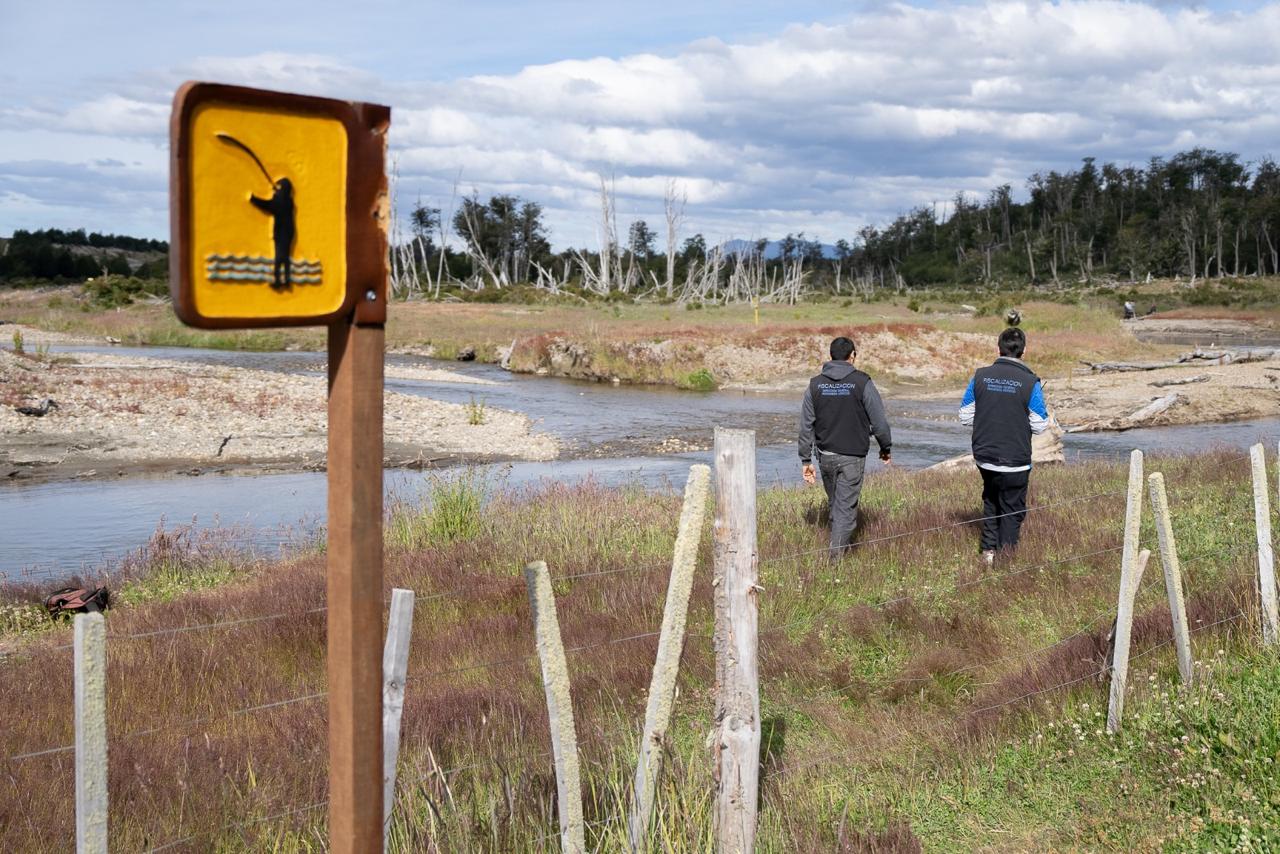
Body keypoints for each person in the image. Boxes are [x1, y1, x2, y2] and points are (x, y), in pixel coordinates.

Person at [958, 327, 1049, 564]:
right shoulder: (1030, 382)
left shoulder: (980, 375)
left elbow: (965, 416)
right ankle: (1005, 561)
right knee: (1012, 510)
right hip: (1015, 459)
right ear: (1024, 351)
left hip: (985, 455)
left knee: (991, 500)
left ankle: (988, 551)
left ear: (998, 348)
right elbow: (1039, 426)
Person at [798, 336, 892, 557]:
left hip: (825, 456)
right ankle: (835, 562)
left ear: (830, 357)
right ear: (853, 356)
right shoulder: (863, 382)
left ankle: (839, 547)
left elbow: (805, 425)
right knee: (845, 510)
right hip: (852, 456)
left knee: (836, 505)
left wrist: (805, 460)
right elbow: (879, 422)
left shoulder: (815, 384)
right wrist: (885, 447)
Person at [250, 178, 296, 291]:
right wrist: (276, 192)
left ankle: (279, 281)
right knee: (283, 258)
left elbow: (269, 205)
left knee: (279, 258)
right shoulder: (287, 201)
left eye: (279, 187)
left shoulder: (282, 201)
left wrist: (254, 199)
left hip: (282, 233)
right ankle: (286, 280)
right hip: (287, 233)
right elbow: (274, 203)